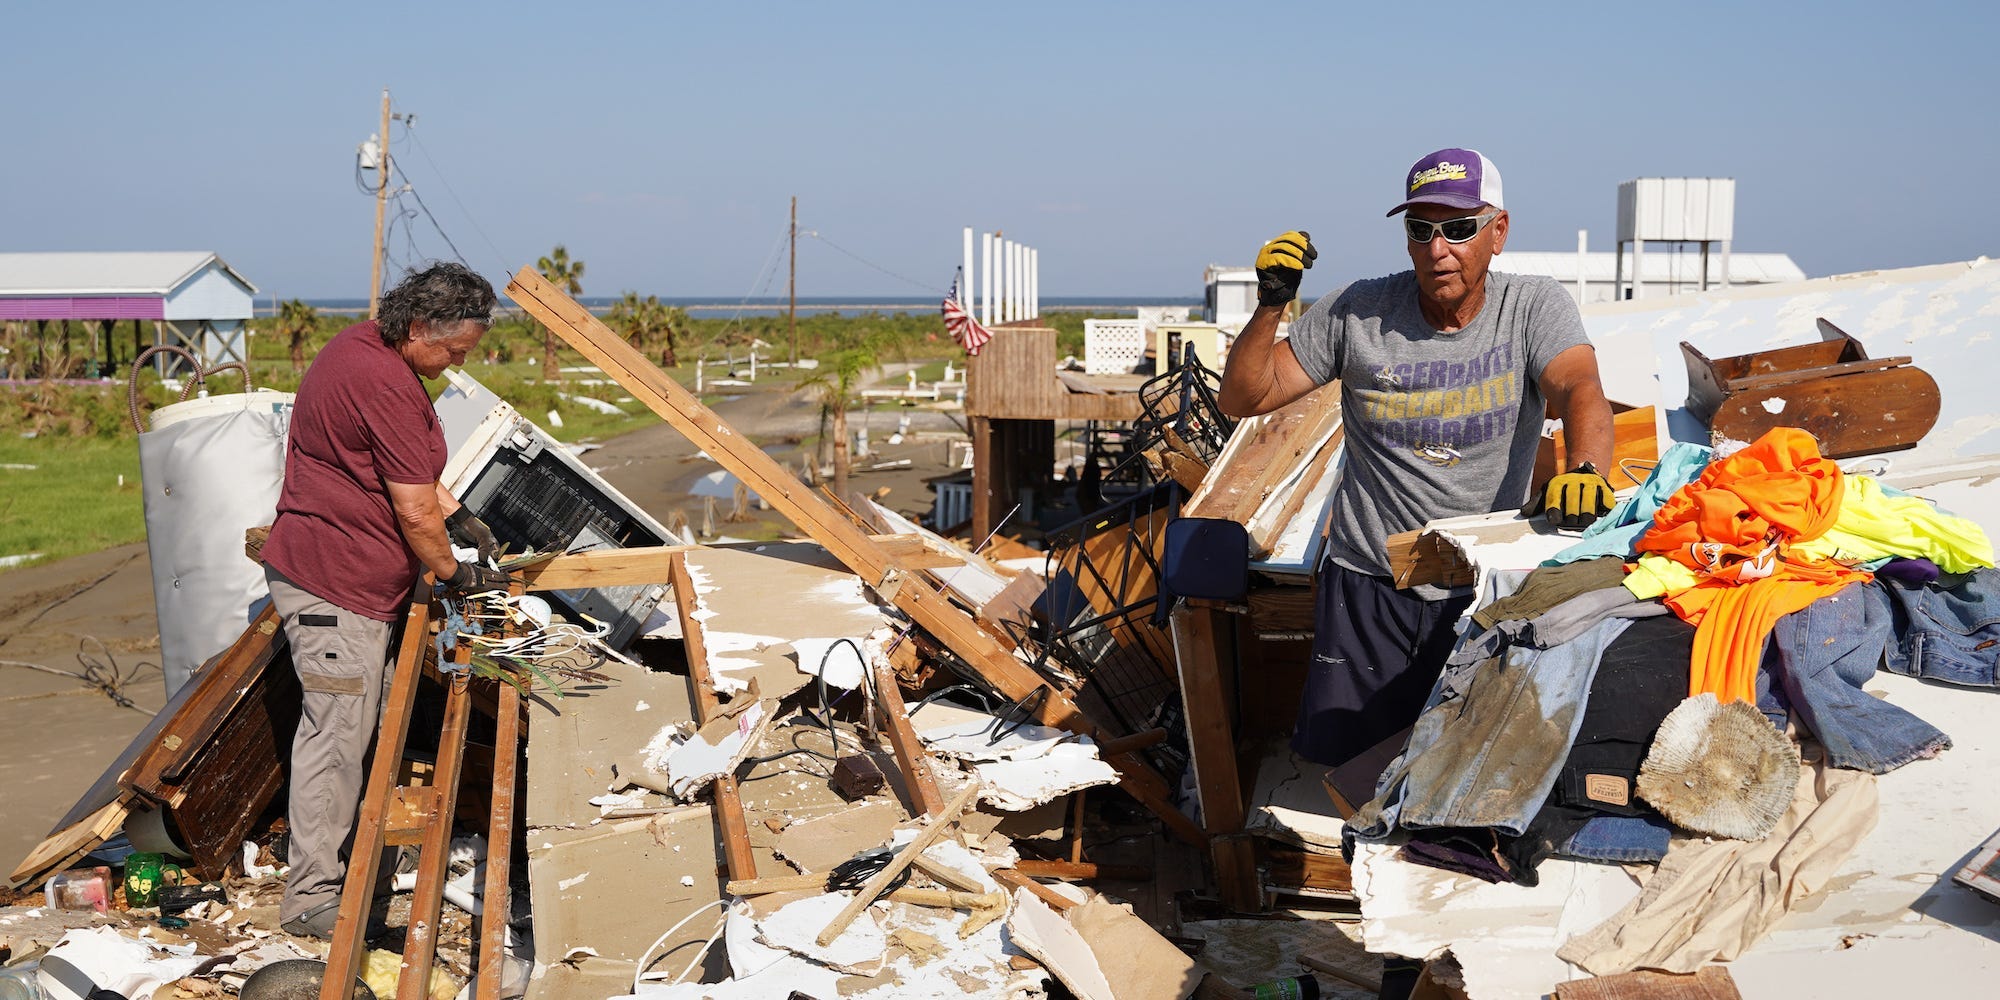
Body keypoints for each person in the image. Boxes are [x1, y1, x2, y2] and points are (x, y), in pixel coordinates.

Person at [1218, 148, 1616, 772]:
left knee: (1462, 768)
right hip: (1368, 588)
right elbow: (1246, 396)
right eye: (1420, 229)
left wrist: (1586, 469)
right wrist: (1272, 304)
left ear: (1498, 233)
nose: (1438, 249)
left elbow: (1579, 388)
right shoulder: (1358, 311)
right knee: (1352, 771)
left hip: (1483, 586)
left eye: (1458, 229)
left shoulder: (1532, 306)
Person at [259, 261, 510, 939]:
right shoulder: (382, 380)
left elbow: (410, 478)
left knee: (348, 728)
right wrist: (452, 571)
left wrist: (459, 516)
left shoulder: (370, 352)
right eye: (455, 350)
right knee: (336, 739)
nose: (457, 363)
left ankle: (343, 859)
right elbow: (412, 509)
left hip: (346, 577)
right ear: (421, 326)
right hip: (334, 582)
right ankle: (312, 895)